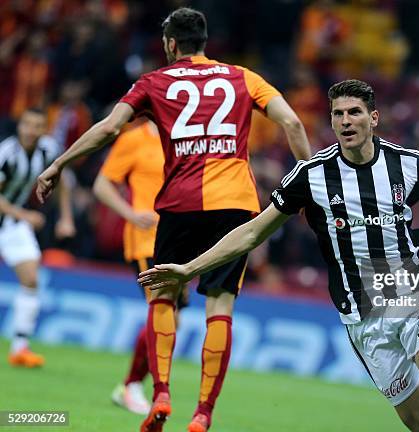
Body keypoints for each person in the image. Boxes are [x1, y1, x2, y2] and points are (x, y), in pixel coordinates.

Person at [137, 80, 419, 432]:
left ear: (373, 117)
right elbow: (253, 232)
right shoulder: (310, 176)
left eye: (354, 112)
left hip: (414, 289)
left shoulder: (407, 164)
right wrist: (189, 269)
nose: (345, 120)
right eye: (337, 114)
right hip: (362, 314)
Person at [36, 7, 311, 432]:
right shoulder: (243, 76)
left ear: (169, 44)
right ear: (204, 41)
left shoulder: (153, 82)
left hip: (180, 204)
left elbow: (109, 128)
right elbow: (292, 121)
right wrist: (307, 183)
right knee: (219, 307)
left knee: (163, 297)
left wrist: (59, 163)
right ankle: (202, 413)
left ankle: (160, 391)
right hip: (235, 204)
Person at [93, 119, 188, 415]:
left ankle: (131, 386)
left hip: (180, 241)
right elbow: (101, 184)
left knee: (173, 321)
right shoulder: (134, 139)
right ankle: (131, 386)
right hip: (147, 240)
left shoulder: (185, 137)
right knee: (164, 314)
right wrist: (130, 214)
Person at [1, 108, 75, 367]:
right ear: (19, 126)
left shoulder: (48, 149)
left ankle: (20, 347)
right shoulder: (6, 154)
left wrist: (65, 217)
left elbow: (62, 179)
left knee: (31, 277)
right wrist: (24, 214)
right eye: (27, 124)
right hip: (15, 215)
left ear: (44, 128)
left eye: (37, 125)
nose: (31, 130)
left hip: (11, 223)